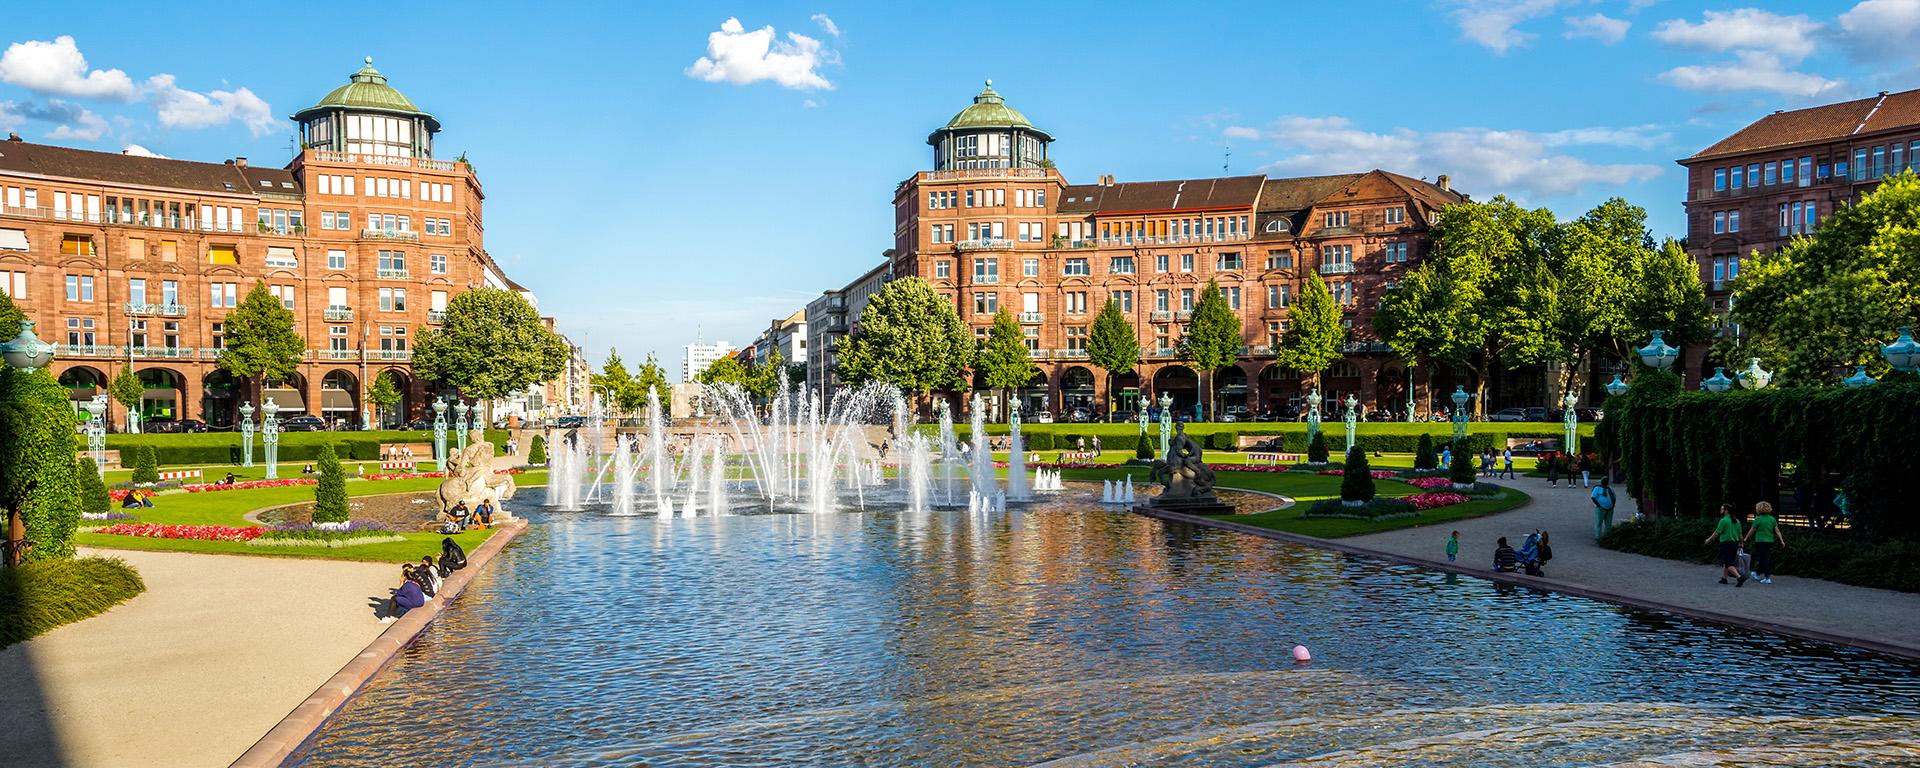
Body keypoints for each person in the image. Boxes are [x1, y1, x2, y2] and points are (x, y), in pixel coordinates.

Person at [1703, 503, 1748, 586]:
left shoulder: (1723, 520)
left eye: (1722, 508)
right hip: (1735, 544)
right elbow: (1740, 534)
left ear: (1726, 511)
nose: (1721, 510)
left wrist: (1709, 540)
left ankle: (1739, 577)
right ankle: (1724, 578)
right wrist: (1741, 543)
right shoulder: (1737, 521)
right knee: (1726, 562)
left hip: (1726, 544)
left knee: (1728, 563)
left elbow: (1717, 532)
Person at [1743, 501, 1786, 584]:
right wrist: (1782, 540)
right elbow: (1777, 531)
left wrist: (1746, 538)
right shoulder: (1772, 519)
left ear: (1759, 509)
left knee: (1764, 558)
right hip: (1769, 541)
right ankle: (1757, 573)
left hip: (1760, 541)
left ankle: (1767, 577)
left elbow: (1751, 531)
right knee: (1764, 558)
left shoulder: (1758, 519)